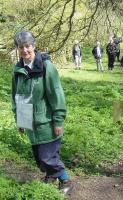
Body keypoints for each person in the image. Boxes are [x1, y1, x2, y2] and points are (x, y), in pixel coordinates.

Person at [11, 31, 73, 194]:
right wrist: (20, 120)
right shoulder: (18, 70)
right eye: (21, 47)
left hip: (47, 123)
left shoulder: (46, 67)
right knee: (40, 158)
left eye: (27, 46)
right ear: (17, 49)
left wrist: (58, 120)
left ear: (34, 46)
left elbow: (56, 93)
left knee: (48, 157)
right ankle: (51, 176)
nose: (24, 50)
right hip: (30, 124)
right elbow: (16, 97)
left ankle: (65, 180)